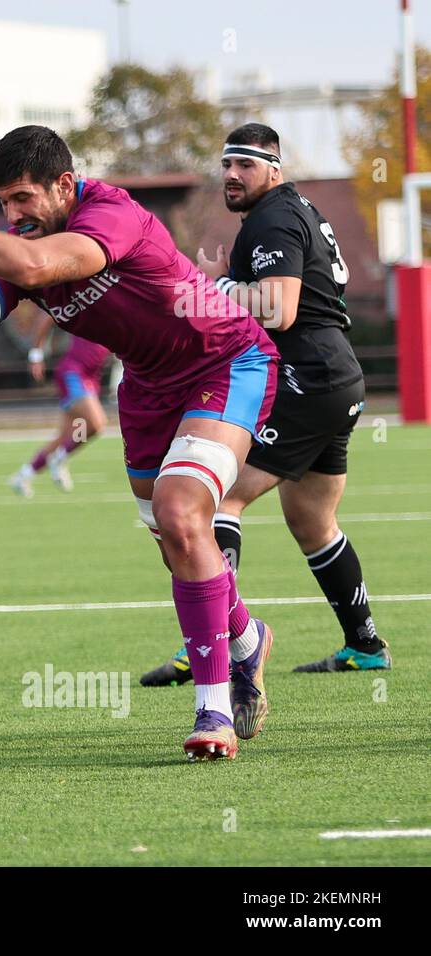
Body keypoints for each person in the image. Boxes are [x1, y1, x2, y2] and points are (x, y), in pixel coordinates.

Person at [0, 125, 279, 760]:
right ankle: (245, 639)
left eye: (22, 199)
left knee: (181, 511)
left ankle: (213, 708)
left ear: (65, 186)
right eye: (3, 203)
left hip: (224, 362)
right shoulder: (23, 244)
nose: (13, 216)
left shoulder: (112, 213)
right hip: (148, 388)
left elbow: (36, 267)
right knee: (174, 540)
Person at [141, 124, 389, 687]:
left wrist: (210, 287)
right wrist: (226, 280)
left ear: (273, 169)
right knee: (313, 520)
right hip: (337, 378)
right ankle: (365, 644)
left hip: (309, 378)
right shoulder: (294, 208)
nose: (231, 174)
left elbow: (279, 308)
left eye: (245, 166)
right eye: (226, 164)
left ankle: (217, 642)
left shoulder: (273, 217)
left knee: (214, 499)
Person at [9, 312, 113, 497]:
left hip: (90, 379)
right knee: (97, 423)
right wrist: (36, 355)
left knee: (68, 436)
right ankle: (60, 458)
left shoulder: (120, 317)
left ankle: (24, 475)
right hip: (73, 374)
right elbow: (47, 318)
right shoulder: (91, 304)